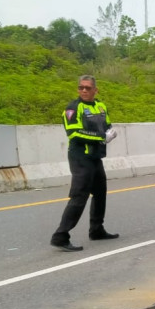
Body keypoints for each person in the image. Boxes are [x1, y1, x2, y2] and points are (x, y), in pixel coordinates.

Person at [50, 75, 119, 252]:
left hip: (96, 157)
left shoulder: (101, 106)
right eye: (81, 87)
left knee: (100, 193)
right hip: (80, 157)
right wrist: (101, 137)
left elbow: (107, 125)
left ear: (96, 90)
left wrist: (110, 132)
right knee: (79, 196)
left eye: (88, 88)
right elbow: (74, 133)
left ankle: (96, 230)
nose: (84, 91)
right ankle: (60, 236)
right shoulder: (73, 108)